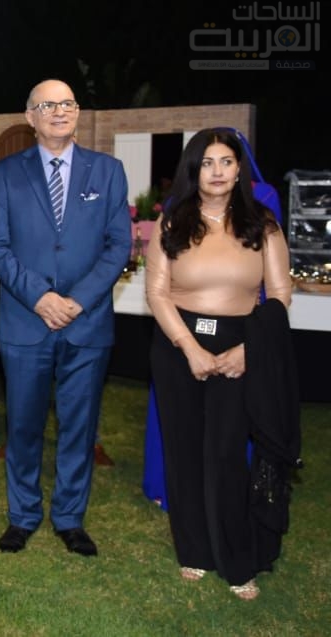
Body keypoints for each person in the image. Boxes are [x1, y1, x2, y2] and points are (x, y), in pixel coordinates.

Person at [144, 128, 295, 600]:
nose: (217, 171)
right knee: (184, 451)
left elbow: (280, 294)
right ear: (194, 170)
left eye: (226, 162)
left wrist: (249, 351)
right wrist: (190, 348)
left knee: (227, 454)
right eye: (207, 163)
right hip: (177, 345)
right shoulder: (172, 222)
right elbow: (157, 293)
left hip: (241, 348)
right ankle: (194, 551)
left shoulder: (263, 225)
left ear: (238, 169)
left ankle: (235, 558)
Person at [0, 79, 131, 557]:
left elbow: (119, 246)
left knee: (79, 427)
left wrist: (78, 300)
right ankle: (23, 515)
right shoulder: (7, 173)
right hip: (26, 323)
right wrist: (41, 298)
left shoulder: (107, 171)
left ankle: (70, 518)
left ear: (78, 112)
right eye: (48, 105)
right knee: (23, 426)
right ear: (30, 116)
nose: (59, 111)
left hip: (86, 323)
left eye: (67, 103)